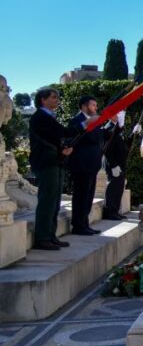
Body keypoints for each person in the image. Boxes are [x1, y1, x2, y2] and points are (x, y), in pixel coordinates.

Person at [28, 89, 75, 250]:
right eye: (53, 97)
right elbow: (58, 134)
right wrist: (84, 124)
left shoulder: (49, 117)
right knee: (47, 200)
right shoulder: (40, 117)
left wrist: (64, 150)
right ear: (43, 100)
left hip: (56, 162)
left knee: (55, 201)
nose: (57, 100)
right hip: (46, 162)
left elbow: (58, 137)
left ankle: (50, 235)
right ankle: (42, 237)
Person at [67, 95, 111, 236]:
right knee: (81, 195)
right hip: (81, 165)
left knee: (88, 196)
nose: (96, 108)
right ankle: (78, 225)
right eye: (93, 105)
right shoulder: (77, 121)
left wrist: (113, 124)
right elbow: (78, 139)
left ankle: (84, 224)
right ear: (84, 106)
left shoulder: (95, 121)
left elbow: (101, 137)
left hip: (92, 165)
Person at [102, 112, 132, 220]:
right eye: (117, 113)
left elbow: (125, 145)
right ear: (110, 116)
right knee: (113, 187)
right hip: (113, 163)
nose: (120, 115)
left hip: (121, 162)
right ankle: (109, 211)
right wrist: (113, 165)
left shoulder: (119, 128)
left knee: (119, 187)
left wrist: (133, 134)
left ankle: (115, 210)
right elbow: (107, 149)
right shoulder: (108, 128)